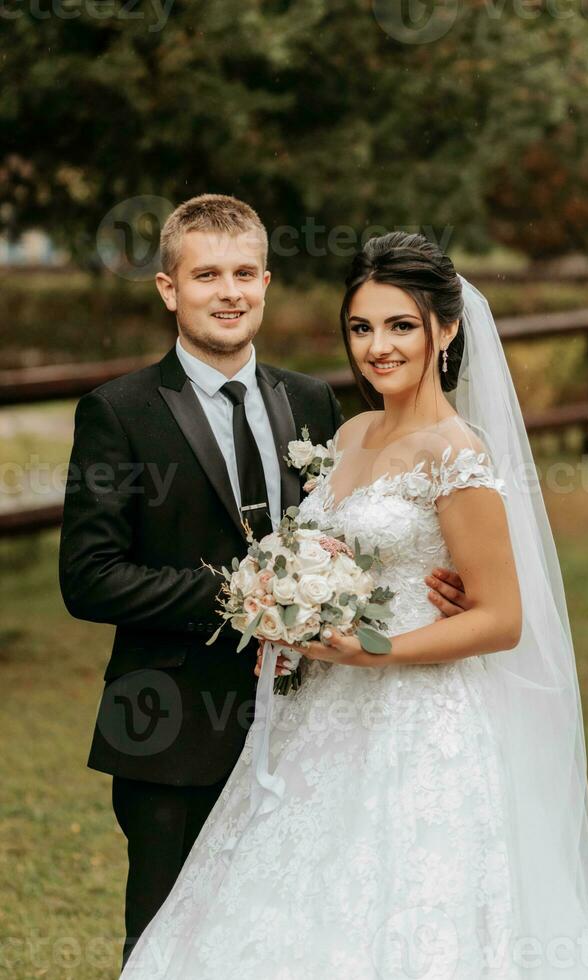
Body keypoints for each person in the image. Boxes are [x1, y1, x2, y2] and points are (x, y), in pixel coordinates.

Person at [117, 231, 588, 978]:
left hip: (420, 722)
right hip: (322, 713)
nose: (378, 347)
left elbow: (502, 620)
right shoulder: (348, 434)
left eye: (401, 325)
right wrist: (279, 593)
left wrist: (373, 647)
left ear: (445, 330)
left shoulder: (457, 453)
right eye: (361, 327)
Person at [58, 199, 456, 971]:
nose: (229, 291)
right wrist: (247, 597)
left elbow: (355, 533)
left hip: (316, 725)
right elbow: (89, 578)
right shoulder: (120, 412)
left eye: (244, 273)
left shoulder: (310, 403)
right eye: (207, 274)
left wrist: (433, 586)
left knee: (280, 937)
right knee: (169, 946)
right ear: (170, 289)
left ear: (267, 283)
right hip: (173, 729)